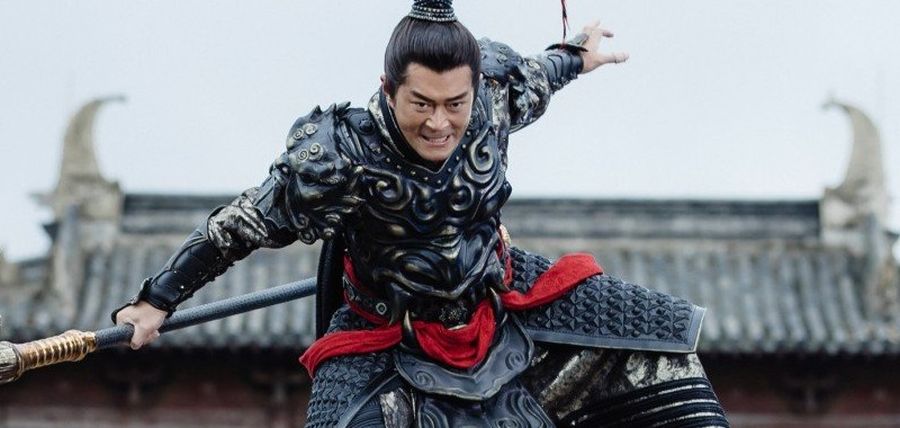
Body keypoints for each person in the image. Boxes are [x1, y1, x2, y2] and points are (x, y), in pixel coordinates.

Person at [113, 1, 729, 426]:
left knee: (666, 348)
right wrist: (157, 299)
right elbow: (239, 226)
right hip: (386, 329)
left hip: (500, 296)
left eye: (454, 103)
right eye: (422, 104)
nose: (440, 123)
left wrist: (575, 54)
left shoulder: (493, 95)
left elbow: (541, 73)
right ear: (388, 89)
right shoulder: (337, 155)